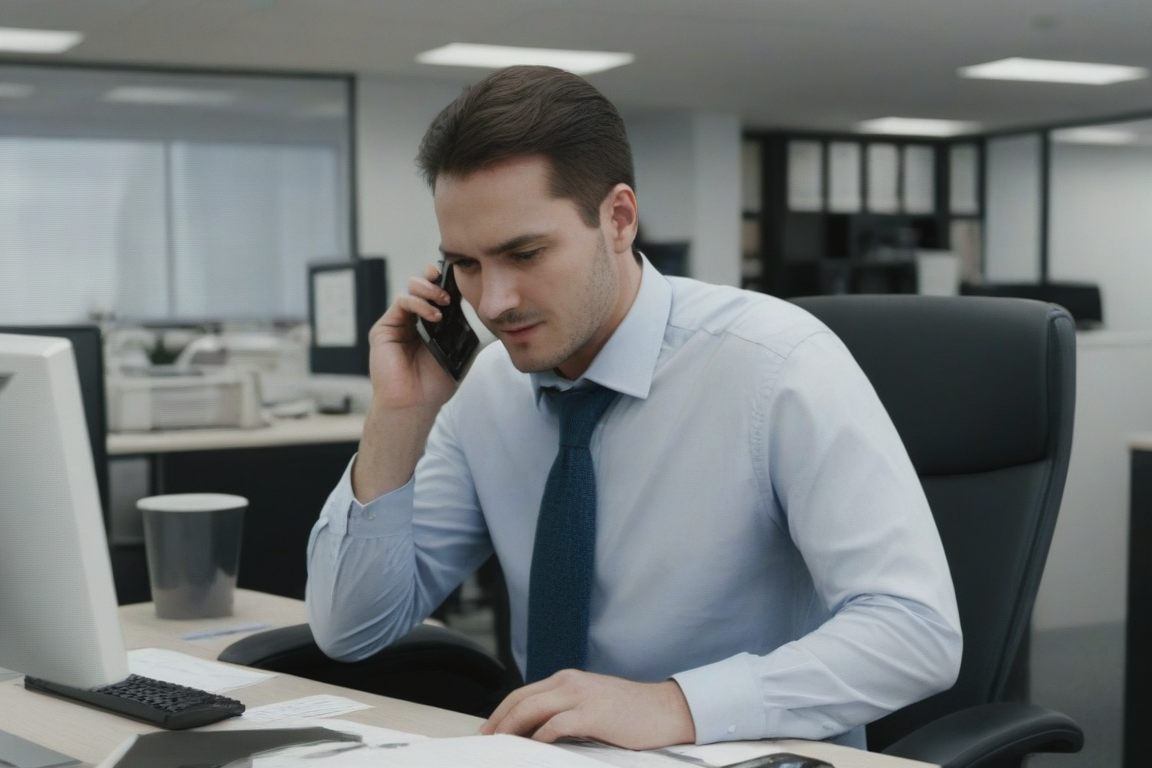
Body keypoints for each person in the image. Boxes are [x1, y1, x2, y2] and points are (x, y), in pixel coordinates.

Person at [305, 65, 962, 751]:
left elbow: (916, 632)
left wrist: (678, 706)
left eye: (525, 253)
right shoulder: (486, 390)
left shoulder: (778, 365)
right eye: (464, 264)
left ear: (617, 219)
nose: (493, 302)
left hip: (740, 757)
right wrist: (399, 415)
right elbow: (351, 631)